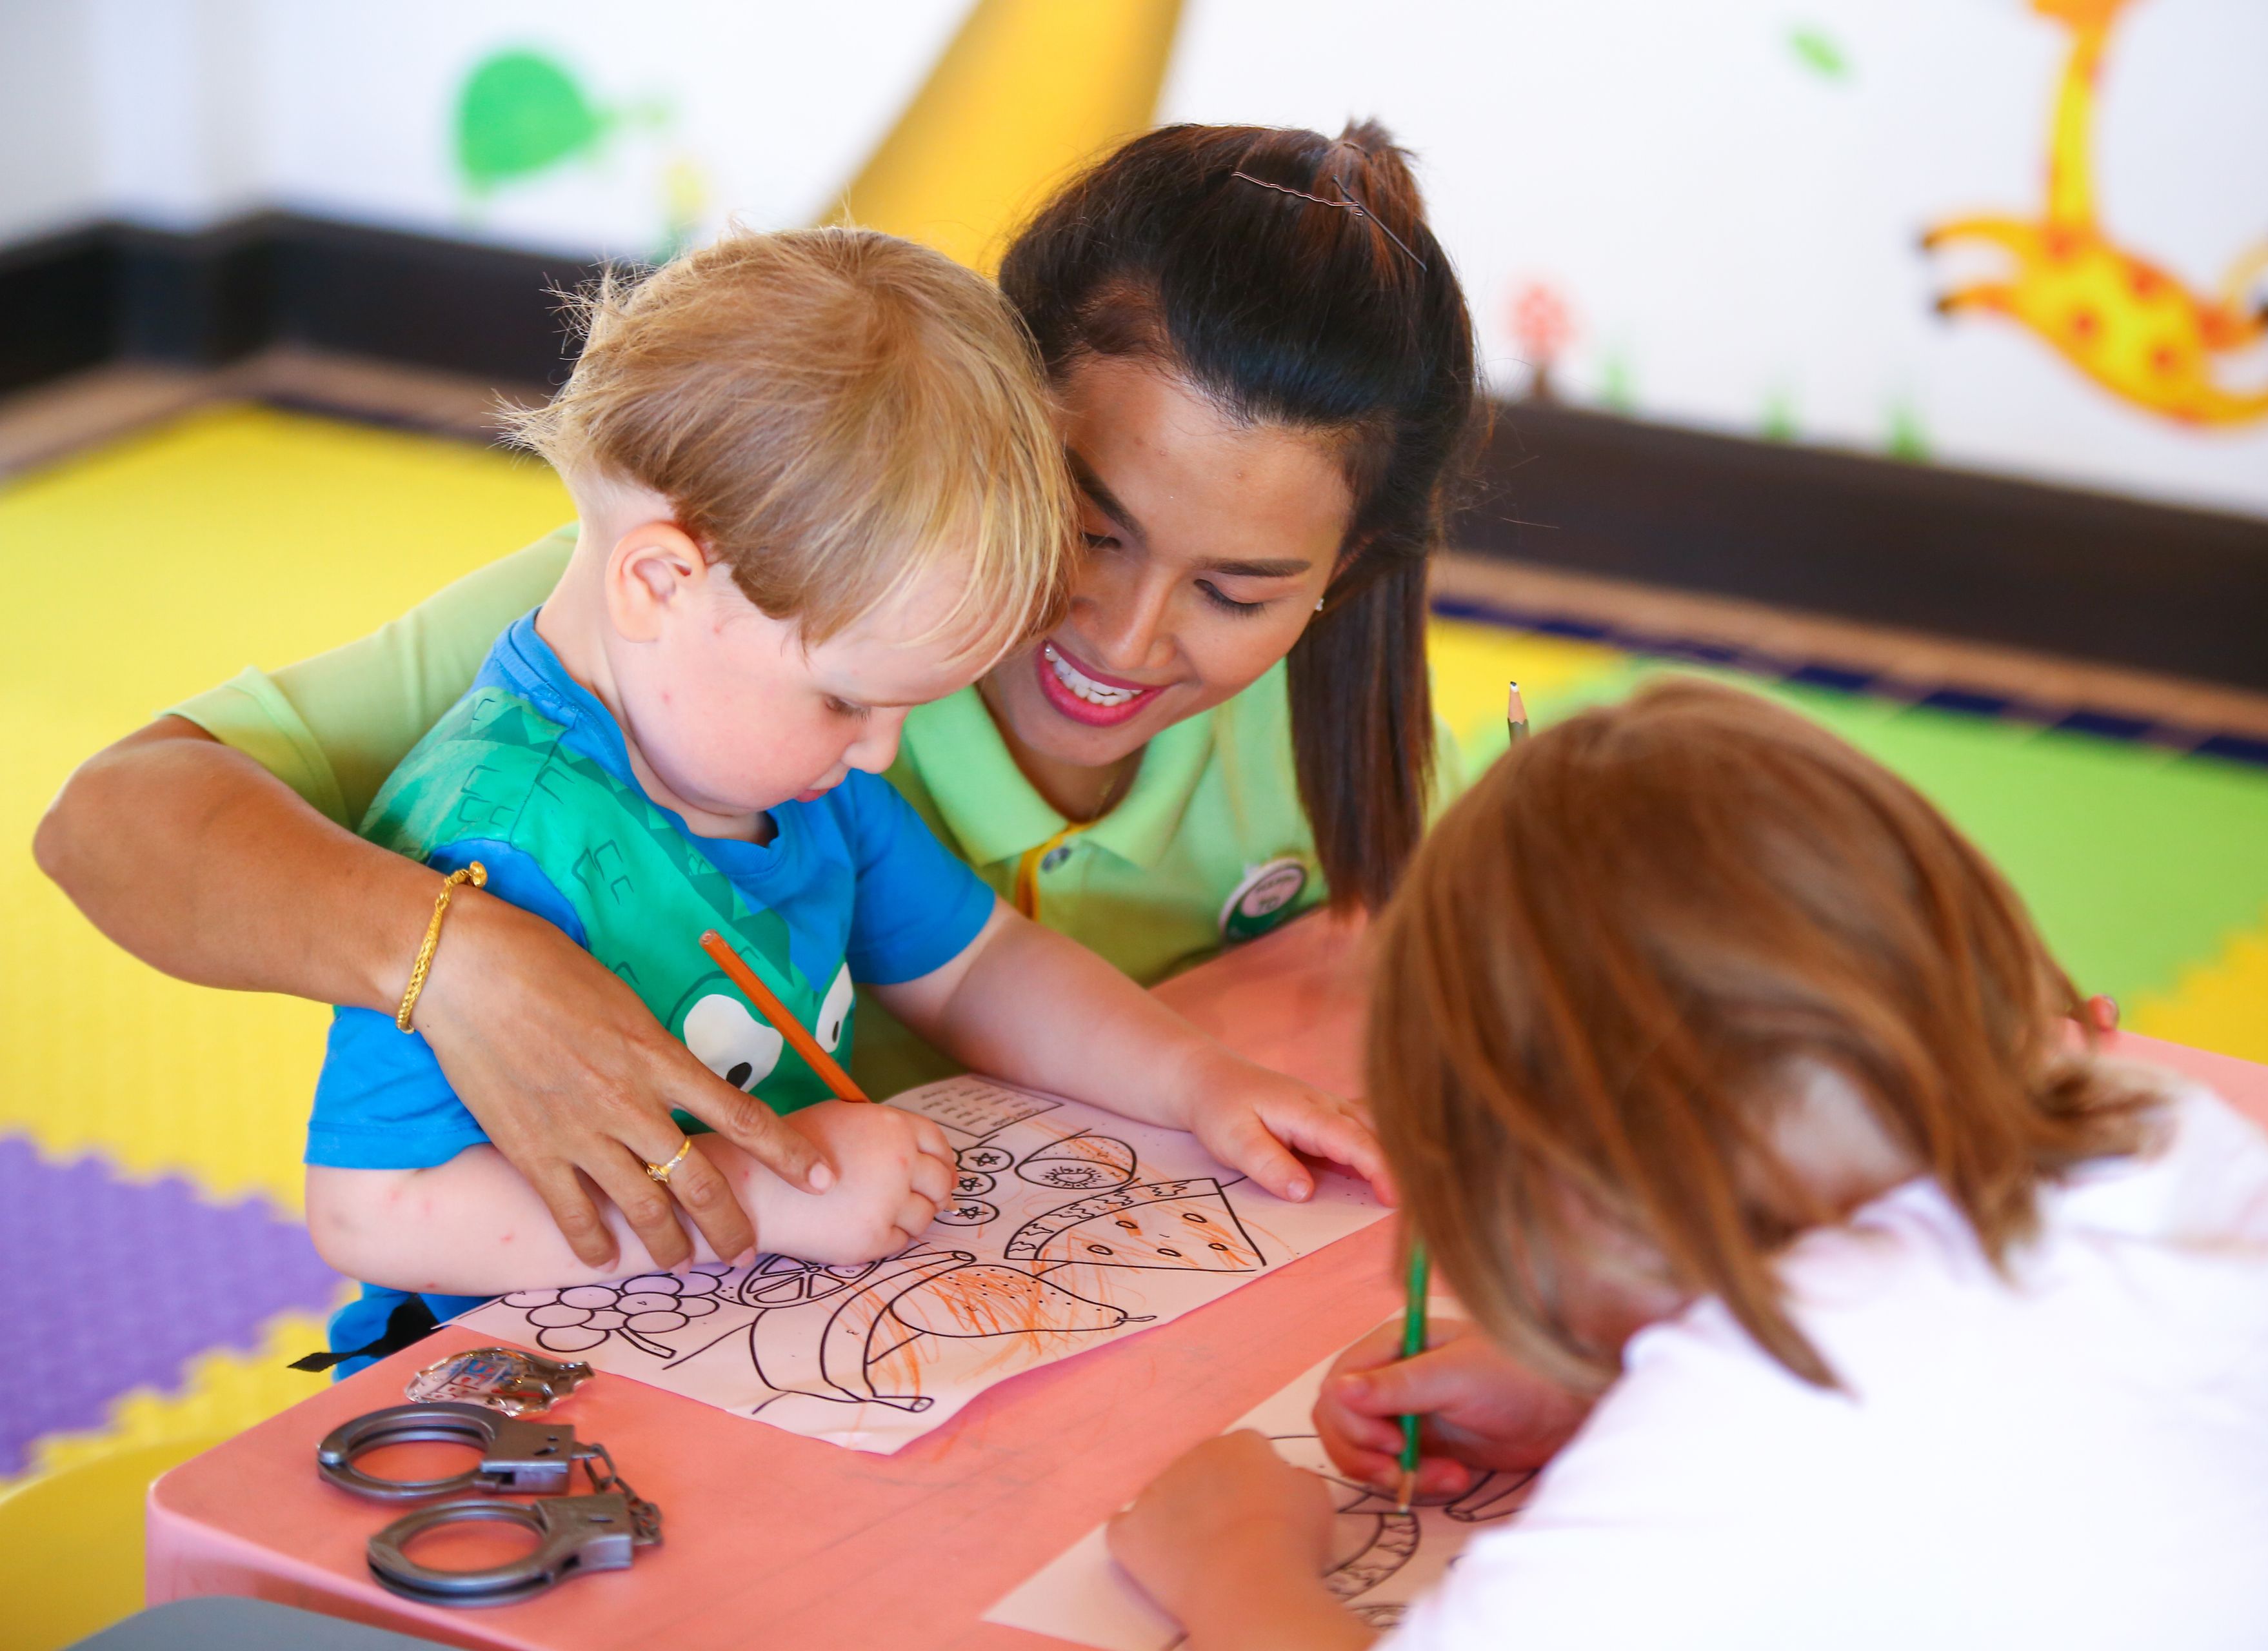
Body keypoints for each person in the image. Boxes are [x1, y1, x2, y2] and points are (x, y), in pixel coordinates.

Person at [34, 121, 1477, 1274]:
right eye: (1083, 527)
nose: (1125, 630)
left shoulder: (1305, 720)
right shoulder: (683, 605)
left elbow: (980, 965)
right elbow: (112, 816)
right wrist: (459, 960)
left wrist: (1201, 1079)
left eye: (1237, 592)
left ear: (1340, 580)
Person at [1106, 680, 2268, 1651]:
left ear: (1559, 1182)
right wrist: (1611, 1381)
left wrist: (1235, 1559)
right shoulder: (2155, 1126)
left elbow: (1814, 1427)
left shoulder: (1769, 1401)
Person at [296, 226, 1382, 1374]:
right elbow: (374, 1207)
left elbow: (979, 966)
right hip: (498, 1378)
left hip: (748, 1344)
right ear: (659, 582)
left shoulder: (781, 773)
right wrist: (756, 1204)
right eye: (845, 702)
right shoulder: (498, 841)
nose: (879, 755)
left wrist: (1195, 1081)